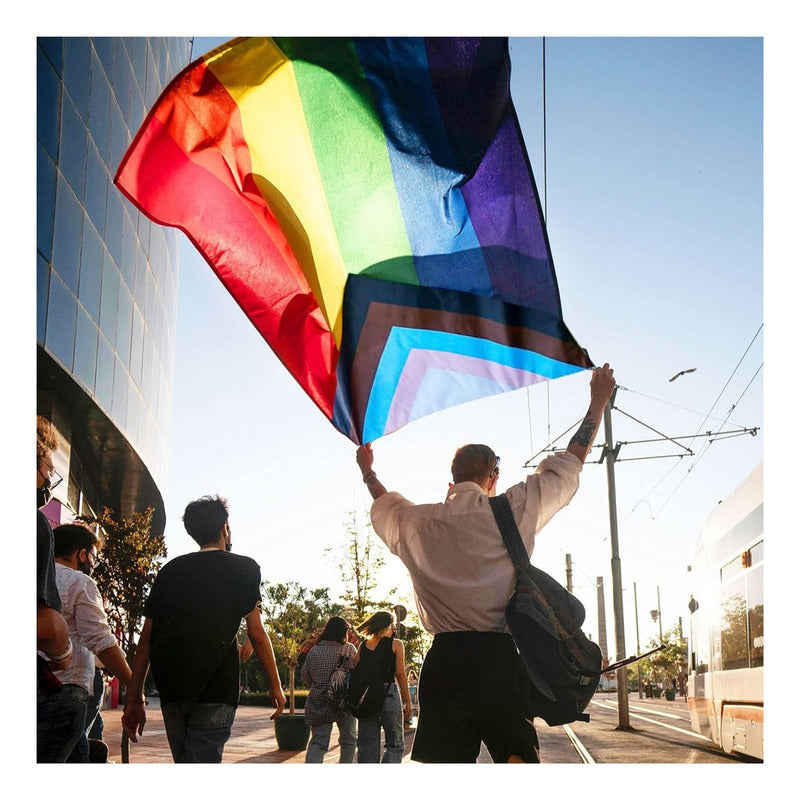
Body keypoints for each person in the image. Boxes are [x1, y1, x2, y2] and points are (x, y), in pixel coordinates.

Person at [356, 363, 616, 763]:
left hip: (443, 665)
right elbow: (571, 461)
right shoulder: (513, 509)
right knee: (517, 762)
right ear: (492, 477)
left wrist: (367, 470)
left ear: (450, 482)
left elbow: (383, 499)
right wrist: (597, 402)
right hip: (499, 663)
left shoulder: (416, 522)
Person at [122, 495, 286, 762]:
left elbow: (146, 638)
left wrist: (135, 697)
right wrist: (275, 686)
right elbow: (255, 631)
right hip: (216, 691)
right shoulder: (243, 568)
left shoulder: (169, 572)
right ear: (225, 527)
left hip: (172, 691)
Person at [44, 523, 132, 762]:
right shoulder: (79, 582)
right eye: (93, 556)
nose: (93, 563)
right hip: (65, 690)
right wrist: (134, 687)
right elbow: (101, 641)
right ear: (81, 554)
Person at [36, 415, 74, 761]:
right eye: (48, 469)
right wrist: (62, 651)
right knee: (71, 711)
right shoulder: (36, 524)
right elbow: (43, 622)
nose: (49, 479)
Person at [354, 610, 412, 763]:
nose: (394, 628)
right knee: (395, 743)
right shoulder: (396, 645)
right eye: (392, 625)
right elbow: (400, 674)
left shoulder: (362, 646)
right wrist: (408, 701)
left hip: (367, 698)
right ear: (385, 626)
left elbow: (356, 671)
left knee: (367, 745)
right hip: (389, 695)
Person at [301, 616, 358, 763]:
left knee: (318, 742)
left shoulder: (314, 651)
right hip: (343, 702)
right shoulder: (348, 649)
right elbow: (357, 674)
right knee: (348, 740)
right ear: (343, 632)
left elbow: (305, 676)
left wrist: (320, 686)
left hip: (319, 701)